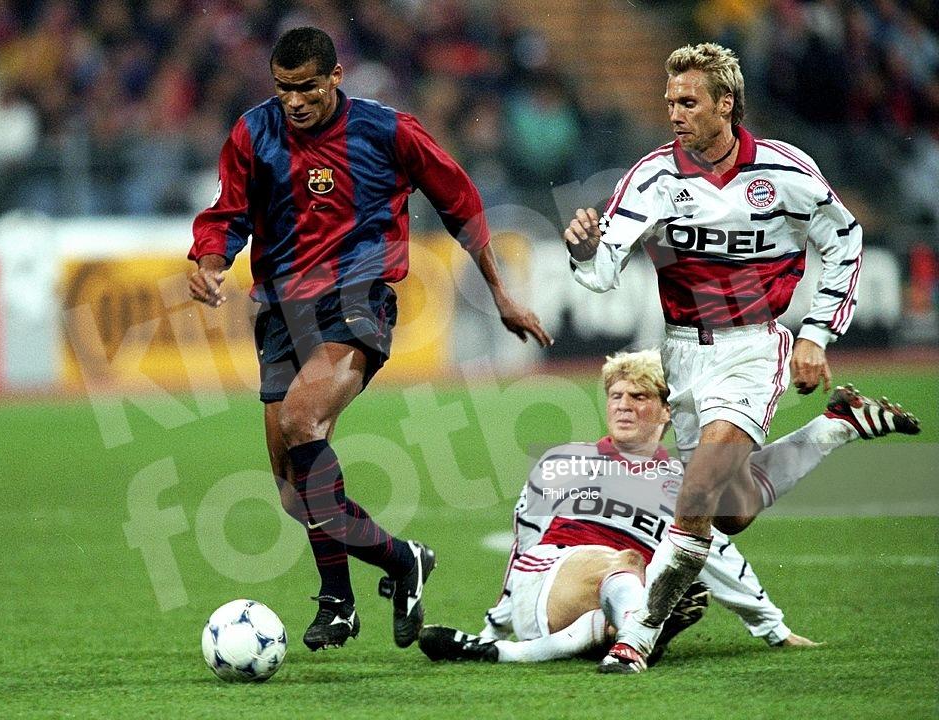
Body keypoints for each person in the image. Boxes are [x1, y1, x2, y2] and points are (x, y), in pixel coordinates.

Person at [187, 27, 553, 652]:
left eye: (306, 87)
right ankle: (399, 563)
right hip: (279, 311)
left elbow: (461, 202)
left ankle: (338, 602)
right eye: (283, 88)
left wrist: (500, 293)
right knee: (293, 491)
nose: (294, 101)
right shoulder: (254, 132)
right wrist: (210, 261)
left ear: (335, 77)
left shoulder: (387, 131)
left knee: (302, 420)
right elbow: (228, 214)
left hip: (357, 299)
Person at [562, 42, 874, 672]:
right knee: (726, 514)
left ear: (725, 103)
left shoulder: (784, 172)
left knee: (696, 493)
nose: (674, 113)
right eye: (669, 101)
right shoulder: (652, 177)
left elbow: (844, 238)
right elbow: (601, 273)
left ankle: (637, 638)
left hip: (752, 348)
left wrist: (815, 333)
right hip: (681, 354)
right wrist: (585, 249)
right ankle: (835, 427)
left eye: (688, 101)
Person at [418, 351, 920, 665]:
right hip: (548, 581)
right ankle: (634, 634)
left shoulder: (682, 482)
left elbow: (720, 557)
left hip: (602, 605)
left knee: (657, 568)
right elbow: (524, 543)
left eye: (639, 396)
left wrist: (775, 630)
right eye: (616, 395)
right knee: (631, 566)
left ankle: (517, 651)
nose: (623, 405)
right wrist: (496, 618)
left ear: (667, 410)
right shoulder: (563, 462)